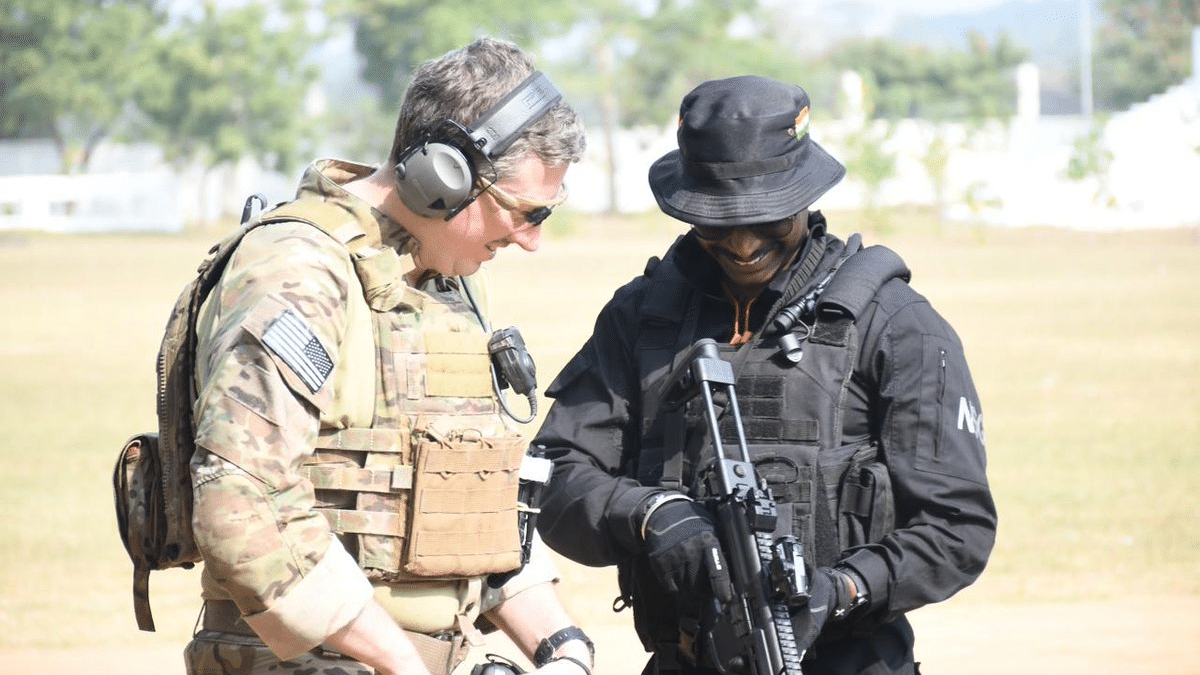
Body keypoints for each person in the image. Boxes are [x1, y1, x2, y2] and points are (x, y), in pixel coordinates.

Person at [532, 75, 997, 675]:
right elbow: (555, 477)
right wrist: (648, 514)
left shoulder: (897, 325)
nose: (744, 242)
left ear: (805, 196)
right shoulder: (641, 318)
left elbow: (956, 528)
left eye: (768, 216)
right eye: (718, 221)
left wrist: (845, 589)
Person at [184, 38, 595, 675]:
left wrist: (560, 646)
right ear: (443, 178)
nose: (531, 240)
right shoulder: (300, 270)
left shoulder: (443, 278)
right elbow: (240, 502)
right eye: (523, 211)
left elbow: (468, 505)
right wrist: (402, 664)